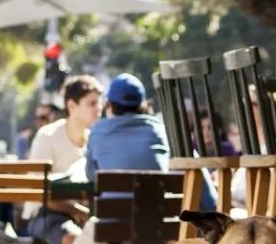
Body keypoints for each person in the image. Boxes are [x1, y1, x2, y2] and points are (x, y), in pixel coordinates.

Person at [86, 73, 217, 212]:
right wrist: (209, 206)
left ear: (110, 105)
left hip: (111, 227)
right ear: (143, 104)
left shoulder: (97, 133)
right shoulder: (163, 132)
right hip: (161, 228)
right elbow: (195, 167)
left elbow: (91, 175)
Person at [23, 75, 103, 244]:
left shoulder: (93, 139)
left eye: (99, 103)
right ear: (72, 106)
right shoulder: (48, 136)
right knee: (81, 242)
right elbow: (37, 191)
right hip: (44, 214)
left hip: (79, 214)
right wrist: (77, 210)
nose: (98, 108)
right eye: (91, 103)